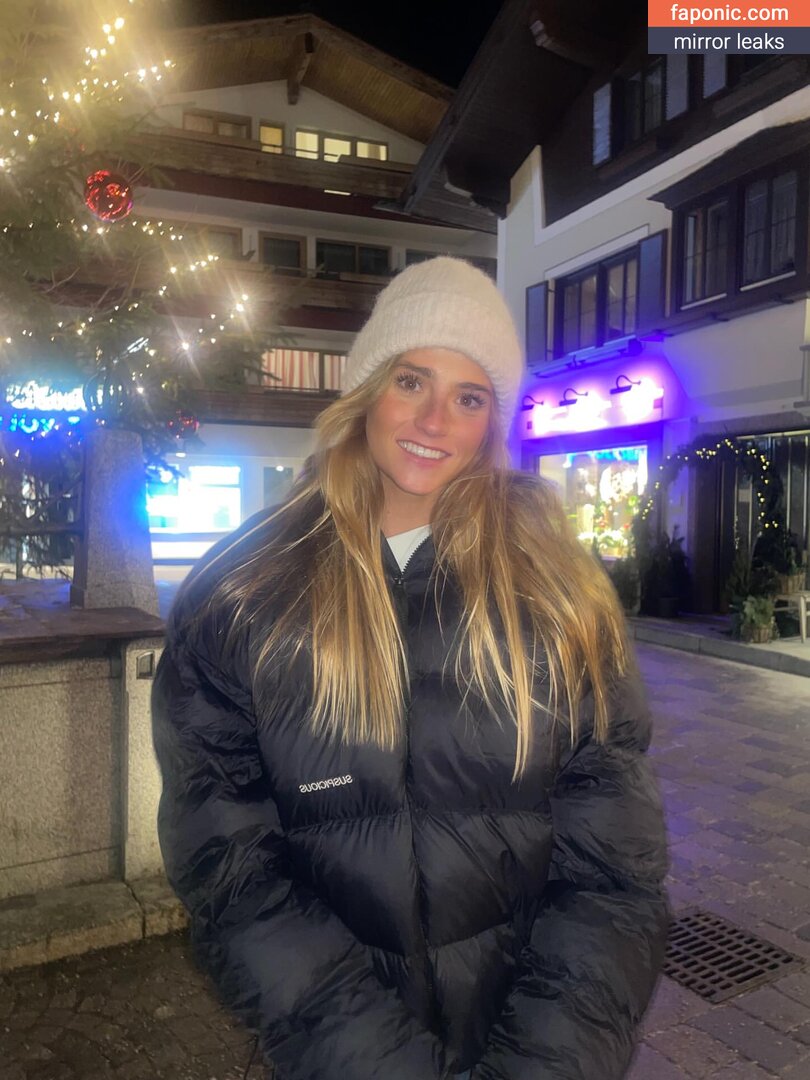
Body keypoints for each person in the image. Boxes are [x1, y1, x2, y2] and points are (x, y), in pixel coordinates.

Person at [152, 257, 669, 1080]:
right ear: (367, 390)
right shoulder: (244, 594)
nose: (434, 419)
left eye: (469, 397)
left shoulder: (561, 597)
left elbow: (613, 875)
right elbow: (230, 870)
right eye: (411, 380)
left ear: (492, 421)